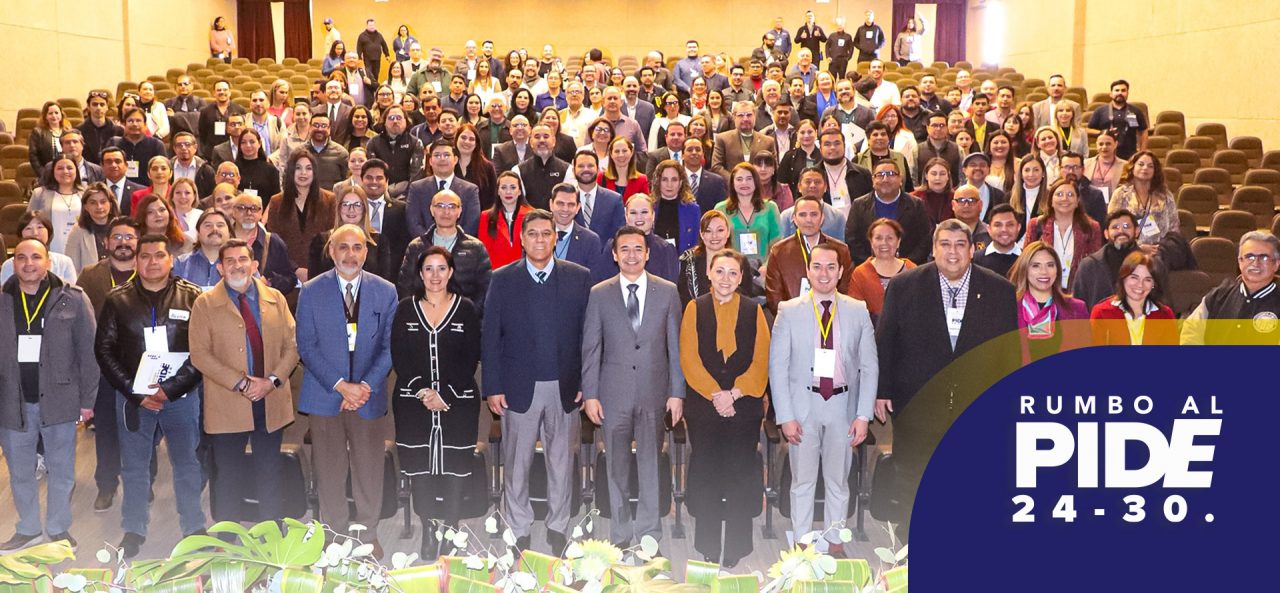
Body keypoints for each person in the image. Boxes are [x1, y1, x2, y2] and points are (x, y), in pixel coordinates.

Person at [874, 219, 1018, 537]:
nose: (953, 252)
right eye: (945, 244)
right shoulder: (904, 286)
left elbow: (1008, 351)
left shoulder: (1000, 290)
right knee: (913, 479)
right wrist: (882, 390)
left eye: (960, 245)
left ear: (972, 249)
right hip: (917, 402)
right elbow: (886, 341)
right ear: (933, 249)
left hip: (976, 406)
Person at [481, 210, 592, 552]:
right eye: (533, 234)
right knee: (517, 464)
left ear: (556, 238)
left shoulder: (579, 277)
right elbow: (490, 337)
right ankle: (518, 527)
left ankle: (558, 526)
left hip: (565, 386)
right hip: (517, 388)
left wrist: (586, 382)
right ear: (522, 239)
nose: (540, 239)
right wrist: (493, 386)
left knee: (561, 463)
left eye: (546, 233)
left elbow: (588, 336)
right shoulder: (502, 279)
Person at [95, 235, 205, 558]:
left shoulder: (193, 296)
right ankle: (134, 529)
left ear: (171, 260)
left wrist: (170, 389)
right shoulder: (117, 299)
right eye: (145, 256)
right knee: (134, 467)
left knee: (187, 463)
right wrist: (136, 391)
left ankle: (194, 526)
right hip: (134, 398)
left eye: (159, 255)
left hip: (180, 397)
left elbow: (203, 351)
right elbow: (104, 350)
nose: (152, 262)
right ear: (136, 260)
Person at [296, 224, 398, 558]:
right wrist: (341, 386)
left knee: (369, 469)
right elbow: (306, 346)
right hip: (326, 394)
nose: (350, 254)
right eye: (343, 247)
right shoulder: (311, 291)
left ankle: (368, 534)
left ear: (366, 252)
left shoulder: (386, 291)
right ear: (331, 251)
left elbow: (390, 347)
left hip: (369, 395)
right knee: (329, 470)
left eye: (357, 247)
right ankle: (334, 535)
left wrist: (363, 387)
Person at [770, 241, 876, 555]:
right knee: (802, 481)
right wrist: (785, 416)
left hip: (843, 406)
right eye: (817, 266)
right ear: (808, 271)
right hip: (803, 407)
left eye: (831, 267)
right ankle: (802, 543)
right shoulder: (789, 311)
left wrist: (863, 415)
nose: (824, 273)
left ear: (841, 271)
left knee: (838, 481)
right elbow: (777, 367)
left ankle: (835, 543)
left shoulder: (857, 310)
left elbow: (870, 366)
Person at [581, 227, 683, 547]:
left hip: (655, 393)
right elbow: (591, 348)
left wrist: (677, 393)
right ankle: (621, 534)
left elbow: (675, 348)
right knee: (616, 468)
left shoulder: (667, 291)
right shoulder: (599, 293)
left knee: (651, 466)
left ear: (648, 253)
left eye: (638, 248)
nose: (631, 255)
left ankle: (649, 534)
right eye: (624, 249)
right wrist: (591, 394)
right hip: (613, 395)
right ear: (614, 255)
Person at [189, 238, 297, 525]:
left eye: (242, 259)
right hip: (228, 401)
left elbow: (292, 346)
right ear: (220, 268)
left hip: (270, 398)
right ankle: (227, 536)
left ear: (254, 264)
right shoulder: (204, 304)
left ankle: (272, 532)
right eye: (230, 261)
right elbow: (200, 354)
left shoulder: (276, 298)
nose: (237, 266)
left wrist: (271, 381)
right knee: (228, 473)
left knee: (270, 469)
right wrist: (241, 383)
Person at [0, 239, 98, 553]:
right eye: (21, 258)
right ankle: (28, 529)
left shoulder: (73, 299)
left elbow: (89, 352)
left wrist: (88, 400)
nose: (28, 263)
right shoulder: (2, 300)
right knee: (20, 472)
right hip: (12, 403)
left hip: (60, 400)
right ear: (13, 264)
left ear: (48, 262)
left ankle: (58, 529)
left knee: (62, 470)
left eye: (36, 257)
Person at [391, 246, 483, 557]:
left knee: (455, 468)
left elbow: (471, 356)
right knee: (420, 469)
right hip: (413, 404)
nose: (435, 275)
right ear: (420, 273)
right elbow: (400, 356)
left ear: (451, 272)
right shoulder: (406, 309)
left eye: (441, 268)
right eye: (428, 268)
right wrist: (423, 391)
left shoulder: (465, 308)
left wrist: (445, 394)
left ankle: (451, 529)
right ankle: (428, 529)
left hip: (458, 403)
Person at [679, 249, 769, 566]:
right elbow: (689, 359)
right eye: (720, 272)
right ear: (709, 274)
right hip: (704, 407)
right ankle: (707, 544)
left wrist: (735, 394)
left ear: (741, 277)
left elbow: (761, 361)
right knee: (707, 473)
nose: (726, 279)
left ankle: (736, 547)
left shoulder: (754, 311)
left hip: (744, 407)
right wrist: (717, 395)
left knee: (740, 475)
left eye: (733, 273)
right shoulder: (695, 308)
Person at [396, 188, 492, 305]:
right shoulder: (416, 247)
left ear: (459, 211)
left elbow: (485, 289)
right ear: (432, 210)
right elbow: (405, 287)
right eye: (440, 206)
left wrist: (469, 312)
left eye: (452, 206)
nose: (446, 211)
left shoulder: (475, 248)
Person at [765, 196, 852, 313]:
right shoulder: (779, 251)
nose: (808, 220)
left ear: (822, 218)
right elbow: (774, 297)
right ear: (794, 219)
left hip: (831, 317)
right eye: (802, 215)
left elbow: (846, 291)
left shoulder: (841, 250)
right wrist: (791, 317)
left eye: (814, 214)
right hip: (792, 319)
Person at [1008, 241, 1091, 363]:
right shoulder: (1009, 309)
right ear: (1024, 269)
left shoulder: (1077, 309)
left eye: (1050, 265)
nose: (1044, 272)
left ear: (1057, 270)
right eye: (1036, 266)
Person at [846, 160, 932, 264]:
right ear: (873, 180)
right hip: (869, 267)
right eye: (880, 175)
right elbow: (852, 240)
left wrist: (904, 264)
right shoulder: (859, 205)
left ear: (900, 179)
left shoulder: (916, 205)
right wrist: (872, 264)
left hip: (908, 268)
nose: (885, 179)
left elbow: (925, 239)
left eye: (891, 174)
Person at [1024, 178, 1102, 290]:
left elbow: (1094, 265)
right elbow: (1026, 262)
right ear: (1051, 200)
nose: (1065, 198)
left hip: (1078, 291)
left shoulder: (1091, 227)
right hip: (1043, 289)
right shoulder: (1036, 225)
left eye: (1070, 194)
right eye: (1059, 194)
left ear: (1077, 201)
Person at [1090, 251, 1177, 346]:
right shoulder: (1101, 313)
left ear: (1153, 284)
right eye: (1134, 278)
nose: (1140, 285)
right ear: (1123, 278)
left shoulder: (1165, 315)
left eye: (1147, 280)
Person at [847, 218, 916, 324]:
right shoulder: (860, 274)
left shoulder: (912, 270)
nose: (884, 243)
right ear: (871, 242)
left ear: (898, 242)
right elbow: (854, 313)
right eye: (878, 238)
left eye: (889, 238)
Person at [1107, 151, 1178, 255]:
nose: (1145, 168)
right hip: (1127, 253)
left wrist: (1161, 249)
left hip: (1160, 254)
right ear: (1132, 167)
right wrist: (1137, 248)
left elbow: (1174, 228)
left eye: (1150, 166)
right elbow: (1112, 228)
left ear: (1155, 171)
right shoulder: (1120, 194)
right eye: (1141, 164)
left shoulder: (1165, 196)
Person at [308, 185, 385, 278]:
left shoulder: (379, 242)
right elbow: (314, 281)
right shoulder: (321, 241)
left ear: (364, 209)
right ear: (339, 208)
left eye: (357, 205)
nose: (351, 210)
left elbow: (384, 282)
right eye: (346, 204)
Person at [409, 140, 483, 235]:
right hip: (425, 243)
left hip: (460, 243)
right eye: (437, 155)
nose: (442, 159)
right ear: (430, 161)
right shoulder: (416, 188)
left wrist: (453, 242)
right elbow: (414, 223)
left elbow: (471, 224)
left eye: (447, 155)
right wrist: (430, 243)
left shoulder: (470, 190)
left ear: (455, 160)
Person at [229, 193, 297, 295]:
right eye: (242, 208)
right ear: (233, 212)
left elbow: (290, 279)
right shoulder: (222, 241)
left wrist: (269, 281)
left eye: (254, 208)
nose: (249, 213)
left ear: (261, 213)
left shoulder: (273, 242)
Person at [716, 163, 783, 266]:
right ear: (732, 183)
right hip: (732, 269)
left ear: (756, 181)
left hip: (764, 270)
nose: (744, 183)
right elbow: (716, 242)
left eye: (749, 179)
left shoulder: (770, 208)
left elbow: (777, 242)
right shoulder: (721, 209)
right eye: (739, 179)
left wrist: (767, 267)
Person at [27, 157, 85, 255]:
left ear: (76, 171)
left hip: (80, 249)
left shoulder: (86, 193)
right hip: (51, 249)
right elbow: (28, 223)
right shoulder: (39, 194)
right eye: (60, 168)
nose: (65, 171)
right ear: (53, 171)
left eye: (70, 168)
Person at [0, 213, 78, 284]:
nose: (35, 233)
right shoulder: (8, 265)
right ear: (20, 234)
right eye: (28, 228)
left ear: (49, 231)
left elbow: (71, 292)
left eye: (40, 227)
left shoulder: (64, 262)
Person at [478, 172, 533, 269]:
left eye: (513, 187)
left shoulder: (532, 216)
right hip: (496, 272)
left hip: (524, 270)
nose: (508, 192)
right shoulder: (486, 216)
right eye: (503, 188)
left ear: (520, 191)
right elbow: (484, 251)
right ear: (498, 191)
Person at [1086, 79, 1148, 160]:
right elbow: (1088, 130)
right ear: (1111, 94)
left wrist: (1142, 151)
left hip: (1129, 155)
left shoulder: (1135, 111)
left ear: (1127, 93)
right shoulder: (1100, 111)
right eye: (1117, 90)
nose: (1120, 93)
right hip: (1106, 154)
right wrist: (1103, 132)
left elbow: (1143, 131)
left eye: (1123, 90)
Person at [711, 102, 775, 179]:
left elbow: (773, 166)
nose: (745, 119)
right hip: (730, 185)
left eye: (749, 115)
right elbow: (716, 167)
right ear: (734, 117)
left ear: (755, 116)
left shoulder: (768, 141)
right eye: (741, 115)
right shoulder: (722, 139)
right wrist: (735, 181)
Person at [64, 183, 119, 272]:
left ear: (111, 204)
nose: (99, 206)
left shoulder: (121, 228)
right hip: (88, 280)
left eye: (103, 202)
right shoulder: (78, 231)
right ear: (85, 206)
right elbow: (71, 268)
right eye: (93, 203)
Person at [649, 160, 702, 252]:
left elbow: (695, 243)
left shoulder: (693, 210)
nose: (669, 185)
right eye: (665, 179)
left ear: (681, 182)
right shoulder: (649, 207)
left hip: (683, 259)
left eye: (674, 180)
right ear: (658, 181)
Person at [174, 210, 232, 291]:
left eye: (220, 225)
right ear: (198, 233)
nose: (214, 229)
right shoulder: (181, 263)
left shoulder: (240, 263)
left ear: (229, 232)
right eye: (208, 225)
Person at [912, 157, 956, 225]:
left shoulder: (956, 197)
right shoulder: (913, 198)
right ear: (926, 176)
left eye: (942, 174)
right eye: (933, 174)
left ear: (948, 176)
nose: (937, 178)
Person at [1009, 154, 1048, 230]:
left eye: (1036, 170)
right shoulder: (1009, 197)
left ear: (1043, 173)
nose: (1031, 174)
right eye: (1027, 170)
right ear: (1021, 174)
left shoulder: (1051, 197)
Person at [356, 19, 391, 84]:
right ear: (367, 26)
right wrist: (359, 58)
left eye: (373, 25)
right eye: (370, 25)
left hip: (377, 58)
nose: (372, 27)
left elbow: (384, 45)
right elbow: (359, 47)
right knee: (369, 74)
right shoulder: (362, 36)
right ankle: (370, 87)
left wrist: (387, 55)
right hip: (367, 59)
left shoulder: (379, 35)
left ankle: (375, 87)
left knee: (376, 74)